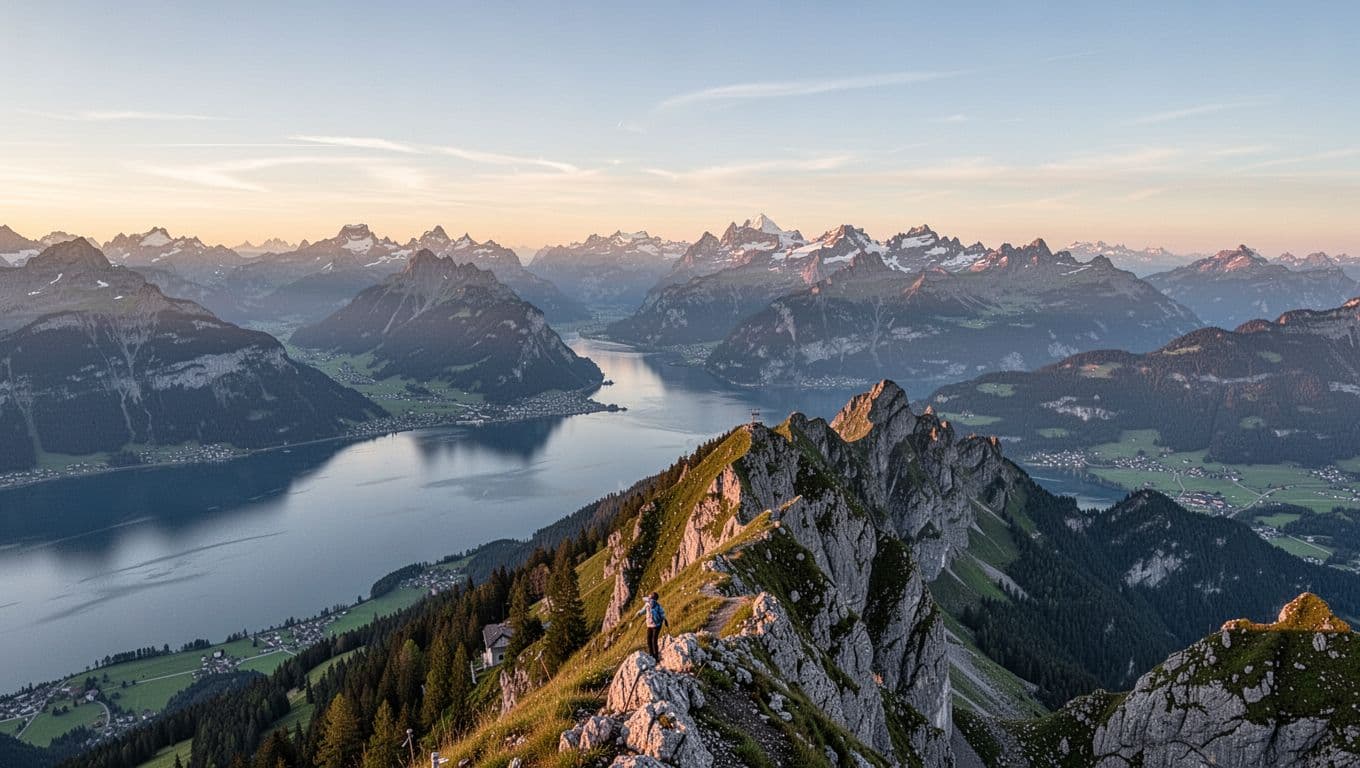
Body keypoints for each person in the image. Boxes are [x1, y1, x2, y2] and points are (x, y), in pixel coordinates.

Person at [638, 592, 667, 658]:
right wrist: (665, 620)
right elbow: (662, 614)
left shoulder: (647, 604)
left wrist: (639, 614)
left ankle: (653, 655)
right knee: (653, 640)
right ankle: (654, 655)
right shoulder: (657, 605)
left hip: (654, 625)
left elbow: (643, 611)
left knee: (650, 640)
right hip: (656, 625)